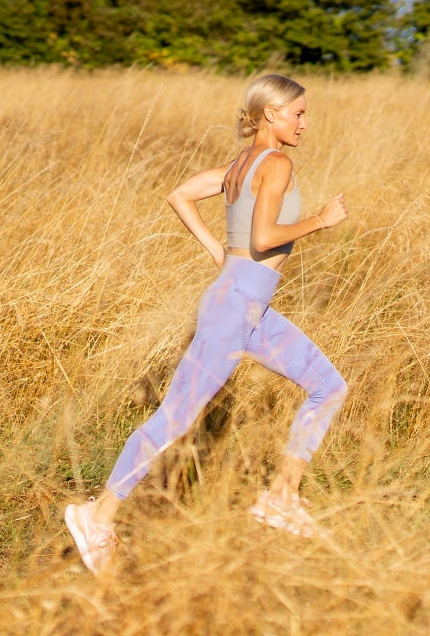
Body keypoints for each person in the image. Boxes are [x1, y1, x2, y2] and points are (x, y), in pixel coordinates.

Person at [64, 74, 350, 574]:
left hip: (246, 303)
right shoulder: (277, 162)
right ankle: (96, 515)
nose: (305, 122)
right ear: (270, 115)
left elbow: (179, 194)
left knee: (329, 385)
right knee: (174, 418)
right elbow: (264, 237)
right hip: (235, 305)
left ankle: (281, 495)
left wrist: (219, 252)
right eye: (298, 113)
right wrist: (320, 222)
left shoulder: (242, 164)